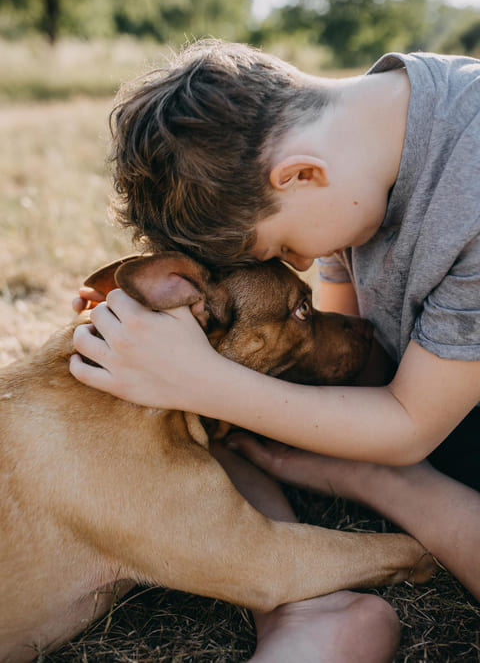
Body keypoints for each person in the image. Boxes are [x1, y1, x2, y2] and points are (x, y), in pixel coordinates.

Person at [70, 40, 480, 661]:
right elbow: (350, 363)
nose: (303, 265)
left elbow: (407, 427)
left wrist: (196, 378)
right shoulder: (364, 159)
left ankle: (397, 496)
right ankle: (307, 604)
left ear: (299, 174)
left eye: (282, 248)